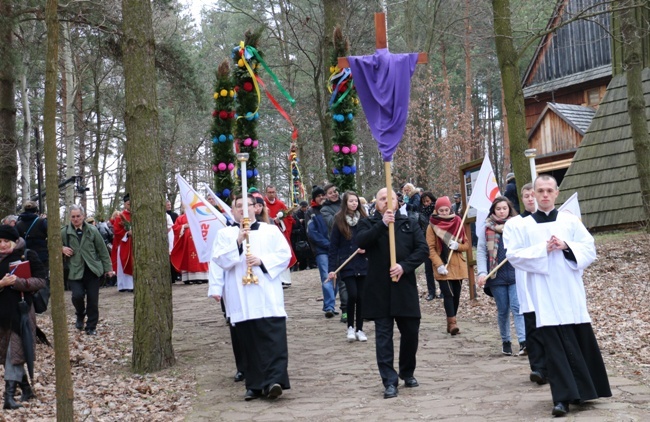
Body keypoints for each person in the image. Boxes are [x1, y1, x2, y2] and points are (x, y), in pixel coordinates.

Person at [504, 175, 611, 417]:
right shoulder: (521, 226)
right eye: (540, 190)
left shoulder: (570, 221)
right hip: (544, 293)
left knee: (579, 340)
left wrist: (566, 246)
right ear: (534, 194)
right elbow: (514, 255)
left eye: (548, 190)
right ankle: (562, 397)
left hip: (570, 290)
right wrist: (544, 248)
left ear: (556, 193)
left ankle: (585, 391)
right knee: (554, 347)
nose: (544, 195)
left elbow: (588, 248)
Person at [209, 194, 292, 401]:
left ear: (255, 208)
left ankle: (274, 381)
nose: (242, 209)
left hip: (267, 294)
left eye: (247, 205)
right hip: (241, 296)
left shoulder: (270, 230)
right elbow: (220, 260)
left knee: (273, 338)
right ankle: (254, 385)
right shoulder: (225, 234)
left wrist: (262, 261)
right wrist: (238, 241)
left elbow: (285, 255)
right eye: (238, 206)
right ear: (232, 211)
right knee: (249, 341)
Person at [356, 188, 429, 399]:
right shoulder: (368, 223)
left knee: (411, 333)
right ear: (376, 203)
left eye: (391, 199)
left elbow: (422, 250)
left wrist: (404, 266)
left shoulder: (409, 223)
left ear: (398, 202)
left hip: (404, 287)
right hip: (379, 288)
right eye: (382, 199)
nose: (387, 202)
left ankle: (407, 371)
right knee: (383, 337)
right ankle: (389, 380)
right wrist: (382, 224)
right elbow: (361, 242)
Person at [0, 225, 47, 410]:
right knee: (6, 356)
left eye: (6, 241)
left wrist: (19, 283)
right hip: (1, 315)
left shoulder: (27, 255)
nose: (2, 245)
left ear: (14, 241)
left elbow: (41, 280)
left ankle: (8, 398)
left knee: (14, 354)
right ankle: (26, 389)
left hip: (21, 314)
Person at [476, 197, 526, 356]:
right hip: (496, 275)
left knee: (517, 308)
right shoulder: (487, 228)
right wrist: (482, 273)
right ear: (493, 211)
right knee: (503, 309)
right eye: (498, 209)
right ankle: (506, 341)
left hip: (515, 273)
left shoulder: (517, 225)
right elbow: (482, 251)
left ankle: (523, 341)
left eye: (505, 208)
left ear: (509, 209)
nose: (502, 211)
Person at [511, 183, 547, 384]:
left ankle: (554, 365)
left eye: (533, 195)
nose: (531, 199)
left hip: (548, 282)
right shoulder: (516, 224)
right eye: (526, 196)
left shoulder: (549, 221)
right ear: (522, 199)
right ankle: (539, 368)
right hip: (526, 280)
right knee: (532, 327)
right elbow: (514, 252)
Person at [61, 205, 114, 335]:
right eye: (73, 216)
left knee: (92, 300)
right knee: (77, 296)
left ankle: (91, 327)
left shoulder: (92, 230)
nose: (76, 219)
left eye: (78, 216)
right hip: (74, 270)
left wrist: (108, 268)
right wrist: (61, 248)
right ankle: (80, 314)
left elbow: (102, 250)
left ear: (83, 216)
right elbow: (51, 245)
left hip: (92, 270)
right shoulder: (64, 232)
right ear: (70, 217)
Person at [327, 191, 369, 342]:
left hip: (362, 263)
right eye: (351, 201)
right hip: (347, 263)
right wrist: (332, 269)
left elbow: (371, 239)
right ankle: (350, 327)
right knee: (352, 295)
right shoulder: (338, 220)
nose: (354, 203)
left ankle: (360, 329)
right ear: (345, 202)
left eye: (356, 201)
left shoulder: (364, 218)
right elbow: (333, 247)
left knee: (362, 297)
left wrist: (366, 248)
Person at [427, 196, 471, 335]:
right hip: (442, 265)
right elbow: (431, 248)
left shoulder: (458, 222)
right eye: (441, 210)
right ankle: (452, 324)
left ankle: (451, 320)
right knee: (448, 294)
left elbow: (467, 245)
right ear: (437, 210)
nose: (444, 212)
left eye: (447, 210)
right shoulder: (432, 226)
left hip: (457, 264)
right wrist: (439, 264)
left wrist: (458, 246)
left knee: (456, 295)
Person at [307, 187, 338, 318]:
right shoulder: (311, 212)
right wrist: (328, 244)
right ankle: (330, 305)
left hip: (335, 248)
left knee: (337, 276)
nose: (321, 198)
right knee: (327, 276)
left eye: (323, 195)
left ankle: (328, 305)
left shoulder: (331, 209)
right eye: (318, 196)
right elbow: (312, 233)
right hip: (322, 250)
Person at [170, 208, 209, 284]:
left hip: (198, 243)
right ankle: (188, 277)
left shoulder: (199, 216)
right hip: (186, 244)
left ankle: (202, 277)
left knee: (199, 258)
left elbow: (205, 226)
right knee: (187, 258)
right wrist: (184, 226)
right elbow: (175, 228)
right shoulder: (181, 218)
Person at [15, 201, 49, 275]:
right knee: (42, 280)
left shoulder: (18, 224)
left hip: (25, 257)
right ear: (36, 210)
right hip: (41, 256)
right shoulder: (42, 222)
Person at [419, 192, 439, 301]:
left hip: (437, 242)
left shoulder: (437, 211)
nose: (426, 204)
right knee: (428, 269)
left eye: (428, 201)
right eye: (424, 202)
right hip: (425, 242)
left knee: (440, 266)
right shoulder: (420, 213)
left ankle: (443, 290)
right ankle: (431, 292)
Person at [111, 194, 133, 292]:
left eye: (131, 203)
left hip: (134, 244)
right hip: (124, 243)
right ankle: (124, 285)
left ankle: (132, 285)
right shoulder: (120, 217)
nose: (129, 205)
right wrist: (127, 233)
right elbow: (116, 231)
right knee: (123, 263)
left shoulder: (137, 214)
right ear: (124, 204)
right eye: (128, 203)